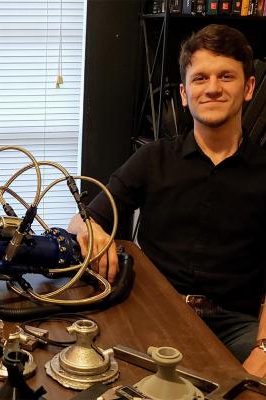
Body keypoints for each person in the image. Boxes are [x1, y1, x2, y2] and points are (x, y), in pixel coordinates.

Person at [68, 24, 266, 376]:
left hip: (236, 324)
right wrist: (91, 229)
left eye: (226, 76)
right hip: (155, 307)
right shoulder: (153, 159)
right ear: (185, 93)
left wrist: (264, 350)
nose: (213, 88)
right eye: (201, 78)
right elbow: (85, 218)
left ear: (249, 87)